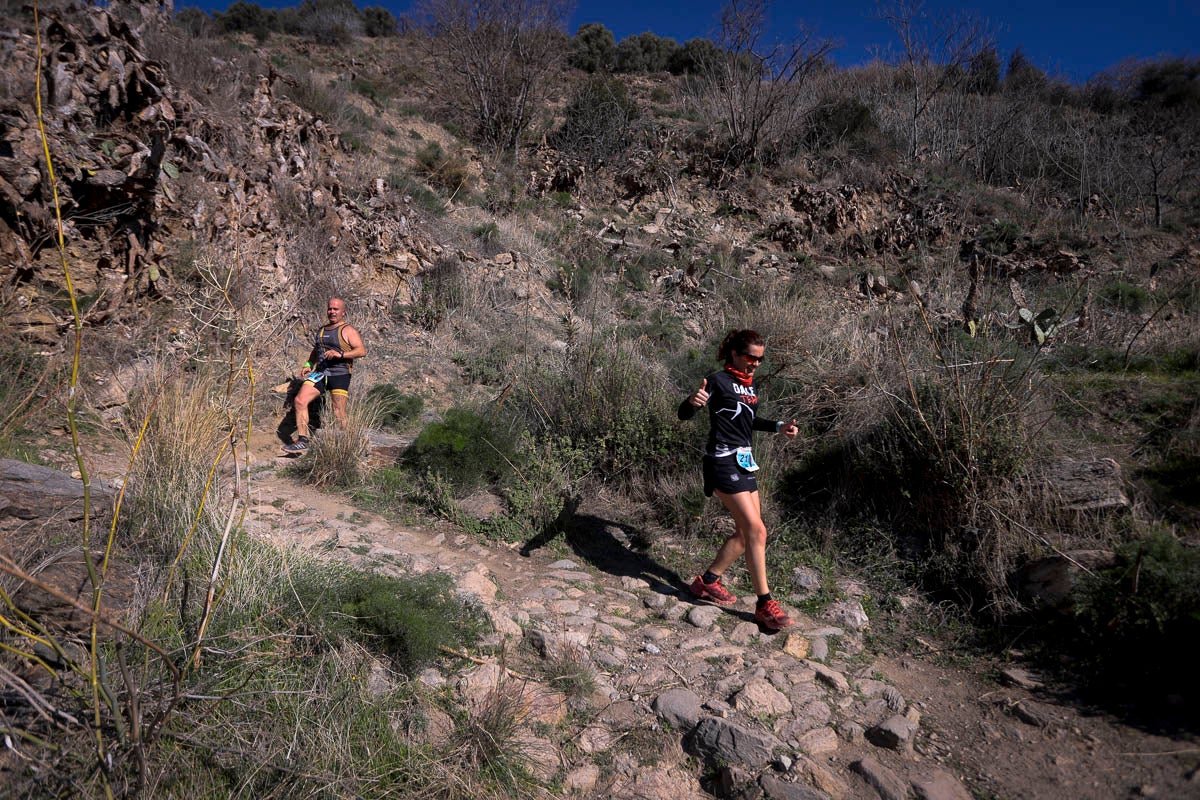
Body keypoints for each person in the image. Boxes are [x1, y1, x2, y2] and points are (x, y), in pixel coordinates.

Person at [678, 329, 799, 631]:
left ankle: (706, 582)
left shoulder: (750, 385)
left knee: (746, 535)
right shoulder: (717, 381)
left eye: (760, 359)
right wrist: (692, 403)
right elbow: (684, 413)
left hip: (745, 462)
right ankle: (764, 604)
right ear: (735, 353)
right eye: (751, 357)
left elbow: (747, 418)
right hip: (721, 461)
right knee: (757, 529)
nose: (756, 364)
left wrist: (778, 426)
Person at [282, 297, 367, 454]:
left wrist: (340, 354)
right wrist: (309, 364)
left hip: (340, 374)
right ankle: (303, 441)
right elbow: (317, 350)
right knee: (300, 400)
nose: (332, 312)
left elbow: (361, 351)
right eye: (330, 309)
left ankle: (346, 443)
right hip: (320, 374)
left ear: (343, 312)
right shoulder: (322, 331)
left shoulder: (348, 331)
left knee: (338, 411)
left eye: (336, 309)